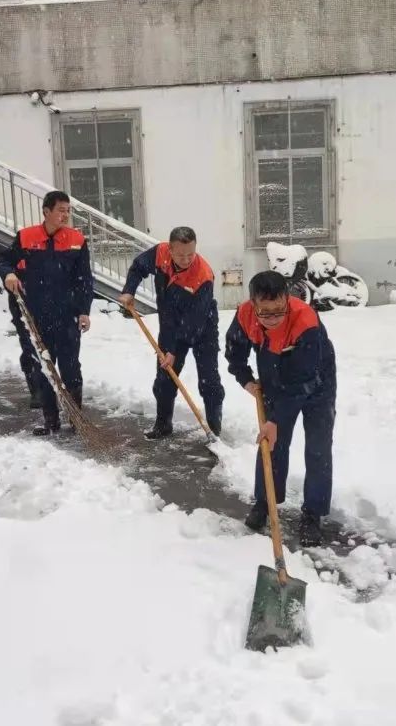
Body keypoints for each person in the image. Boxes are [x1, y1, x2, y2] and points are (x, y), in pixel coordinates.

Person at [225, 270, 336, 547]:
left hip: (316, 382)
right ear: (253, 304)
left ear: (287, 299)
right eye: (265, 312)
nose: (273, 318)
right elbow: (234, 352)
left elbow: (304, 380)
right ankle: (265, 503)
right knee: (271, 445)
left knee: (318, 447)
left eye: (279, 311)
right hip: (273, 377)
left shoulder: (305, 321)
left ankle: (313, 512)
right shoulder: (244, 315)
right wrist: (246, 380)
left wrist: (276, 419)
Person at [0, 190, 94, 436]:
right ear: (46, 211)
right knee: (44, 369)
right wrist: (8, 273)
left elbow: (84, 279)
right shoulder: (27, 237)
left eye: (68, 210)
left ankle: (75, 419)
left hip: (67, 316)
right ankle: (51, 421)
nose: (66, 215)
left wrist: (84, 311)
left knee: (71, 368)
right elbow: (3, 260)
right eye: (61, 210)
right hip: (37, 317)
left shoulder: (76, 241)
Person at [119, 226, 224, 440]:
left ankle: (214, 429)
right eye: (181, 255)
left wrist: (174, 350)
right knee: (165, 377)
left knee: (209, 380)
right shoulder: (160, 253)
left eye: (191, 254)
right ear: (171, 249)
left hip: (202, 328)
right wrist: (129, 290)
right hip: (170, 325)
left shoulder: (202, 275)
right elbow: (138, 266)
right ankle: (163, 424)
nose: (186, 259)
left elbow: (194, 322)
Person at [8, 291, 43, 409]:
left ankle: (45, 387)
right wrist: (8, 274)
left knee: (42, 347)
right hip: (20, 300)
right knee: (29, 347)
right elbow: (6, 274)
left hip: (44, 298)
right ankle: (37, 389)